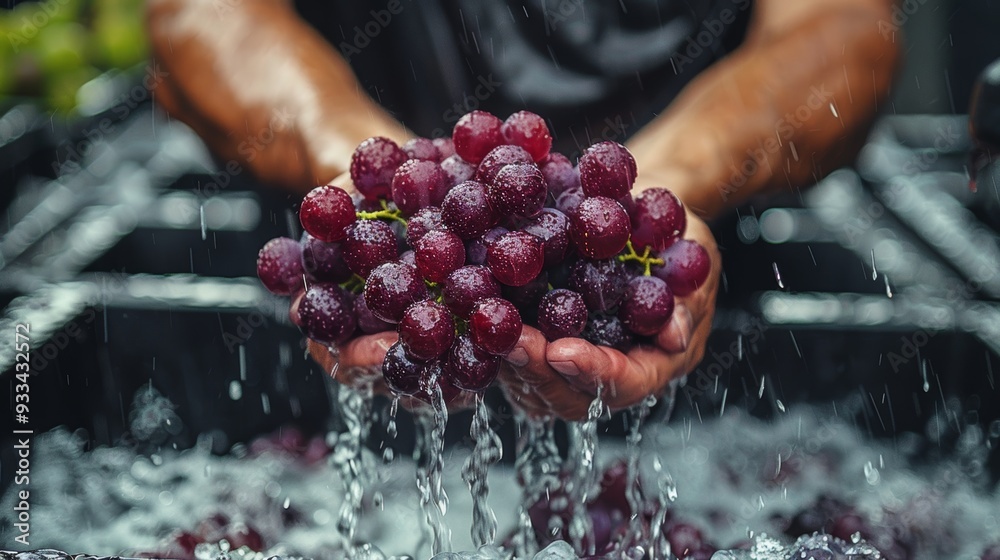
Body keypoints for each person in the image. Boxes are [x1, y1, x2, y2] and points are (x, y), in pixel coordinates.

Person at [145, 0, 901, 420]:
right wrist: (358, 160)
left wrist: (669, 181)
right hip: (359, 302)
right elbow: (199, 15)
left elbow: (844, 30)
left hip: (671, 323)